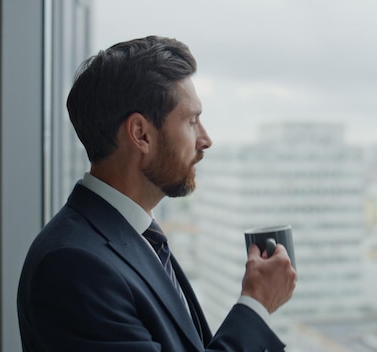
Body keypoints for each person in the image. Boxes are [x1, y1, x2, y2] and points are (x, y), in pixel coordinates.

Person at [17, 36, 297, 351]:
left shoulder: (137, 237)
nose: (205, 140)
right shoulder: (74, 267)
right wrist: (256, 304)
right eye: (192, 121)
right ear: (141, 134)